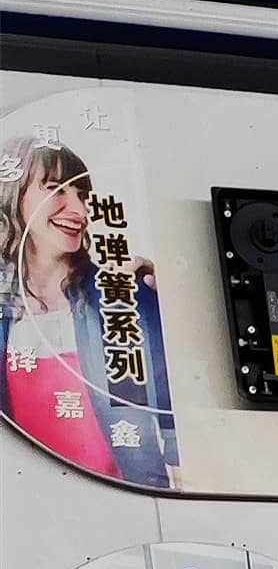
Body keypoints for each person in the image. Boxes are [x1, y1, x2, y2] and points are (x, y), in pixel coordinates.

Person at [0, 138, 174, 486]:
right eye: (56, 189)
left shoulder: (123, 294)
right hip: (28, 497)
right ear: (14, 197)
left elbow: (172, 406)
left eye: (83, 195)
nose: (78, 210)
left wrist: (176, 304)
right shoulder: (5, 307)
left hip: (124, 496)